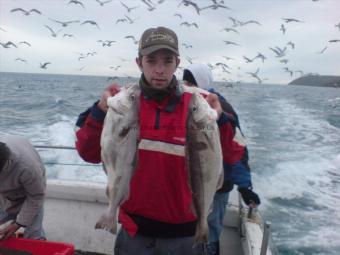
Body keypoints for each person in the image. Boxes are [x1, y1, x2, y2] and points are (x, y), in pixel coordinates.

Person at [75, 26, 228, 255]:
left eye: (167, 61)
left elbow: (233, 155)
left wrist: (222, 120)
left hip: (185, 235)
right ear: (139, 63)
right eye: (151, 60)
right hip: (135, 233)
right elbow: (88, 153)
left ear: (177, 63)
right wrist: (99, 111)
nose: (159, 70)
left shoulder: (199, 102)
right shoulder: (121, 101)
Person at [183, 63, 261, 255]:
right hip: (191, 180)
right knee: (188, 230)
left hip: (218, 185)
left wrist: (245, 187)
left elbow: (237, 150)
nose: (187, 84)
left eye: (191, 81)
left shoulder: (220, 108)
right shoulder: (183, 103)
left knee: (210, 231)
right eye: (185, 80)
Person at [0, 134, 46, 240]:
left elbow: (36, 197)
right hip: (3, 195)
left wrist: (18, 224)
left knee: (33, 236)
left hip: (31, 193)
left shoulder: (28, 168)